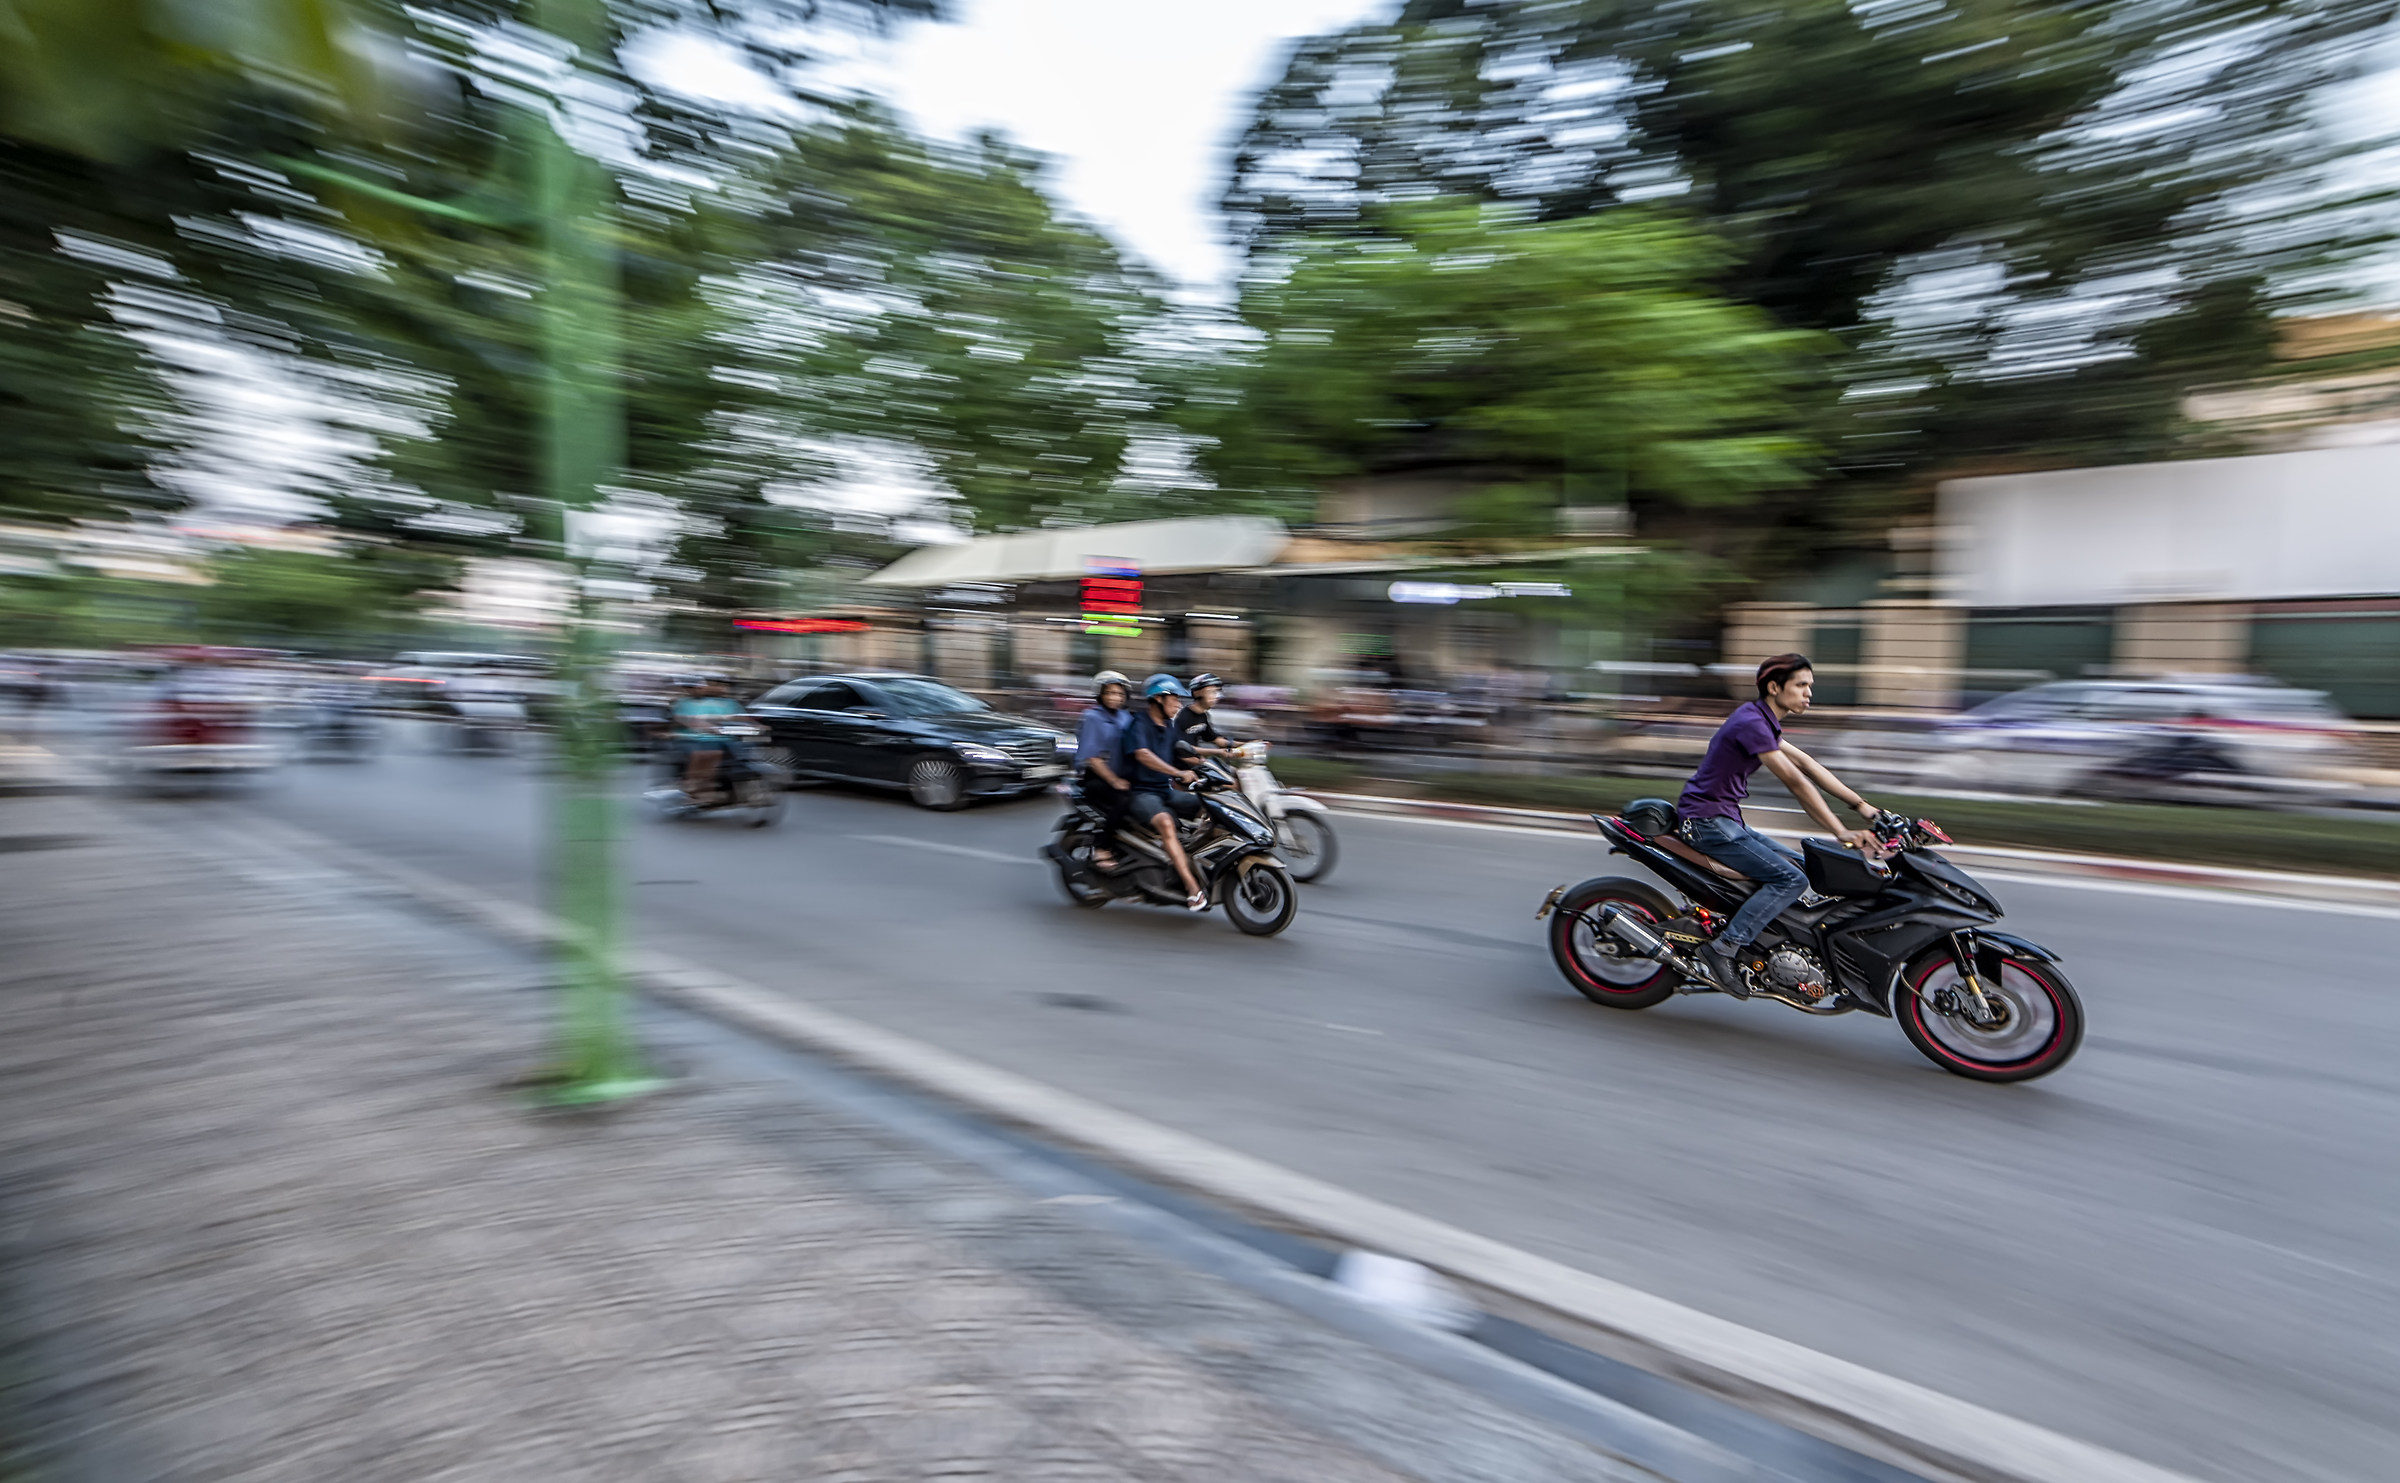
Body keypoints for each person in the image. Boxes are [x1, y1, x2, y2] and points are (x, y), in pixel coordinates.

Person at [1679, 653, 1883, 995]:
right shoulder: (1752, 723)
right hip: (1706, 822)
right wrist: (1840, 831)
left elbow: (1807, 765)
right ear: (1774, 687)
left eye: (1810, 686)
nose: (1808, 694)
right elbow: (1795, 781)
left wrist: (1866, 809)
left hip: (1724, 820)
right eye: (1801, 685)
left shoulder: (1762, 720)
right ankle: (1723, 948)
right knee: (1791, 879)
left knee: (1806, 867)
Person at [1125, 673, 1208, 912]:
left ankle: (1195, 859)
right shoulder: (1139, 723)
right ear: (1159, 699)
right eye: (1174, 699)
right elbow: (1143, 755)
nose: (1178, 705)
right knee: (1165, 822)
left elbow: (1181, 752)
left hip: (1164, 791)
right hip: (1142, 794)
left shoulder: (1169, 726)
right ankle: (1192, 888)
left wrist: (1211, 764)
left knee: (1208, 805)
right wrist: (1177, 773)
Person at [1074, 669, 1135, 869]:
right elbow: (1093, 757)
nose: (1115, 698)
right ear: (1100, 694)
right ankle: (1103, 847)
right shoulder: (1092, 717)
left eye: (1119, 694)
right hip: (1098, 778)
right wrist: (1114, 781)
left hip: (1122, 773)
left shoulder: (1125, 717)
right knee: (1123, 798)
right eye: (1110, 693)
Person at [669, 674, 743, 801]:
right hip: (697, 738)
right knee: (710, 753)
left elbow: (740, 717)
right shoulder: (685, 702)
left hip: (724, 738)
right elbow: (689, 720)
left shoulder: (729, 702)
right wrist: (708, 727)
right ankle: (698, 787)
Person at [1171, 672, 1238, 765]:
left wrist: (1249, 744)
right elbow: (1185, 747)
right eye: (1212, 692)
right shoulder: (1183, 717)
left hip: (1195, 765)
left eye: (1217, 692)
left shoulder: (1203, 716)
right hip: (1180, 769)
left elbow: (1218, 741)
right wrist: (1218, 752)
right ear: (1197, 693)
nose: (1216, 697)